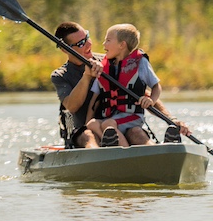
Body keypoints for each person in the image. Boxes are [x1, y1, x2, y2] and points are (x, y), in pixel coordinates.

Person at [86, 23, 169, 147]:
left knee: (108, 124)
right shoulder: (104, 67)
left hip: (132, 116)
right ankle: (109, 142)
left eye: (108, 40)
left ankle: (125, 151)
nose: (104, 44)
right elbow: (94, 100)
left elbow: (156, 86)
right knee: (91, 124)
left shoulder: (141, 63)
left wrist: (151, 100)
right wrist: (86, 126)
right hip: (112, 117)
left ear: (122, 45)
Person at [51, 21, 102, 149]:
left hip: (110, 125)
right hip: (79, 132)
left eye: (87, 37)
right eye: (80, 43)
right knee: (88, 136)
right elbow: (72, 106)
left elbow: (142, 94)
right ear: (64, 49)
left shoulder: (109, 61)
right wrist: (87, 76)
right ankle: (98, 158)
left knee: (136, 133)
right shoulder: (60, 75)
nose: (88, 44)